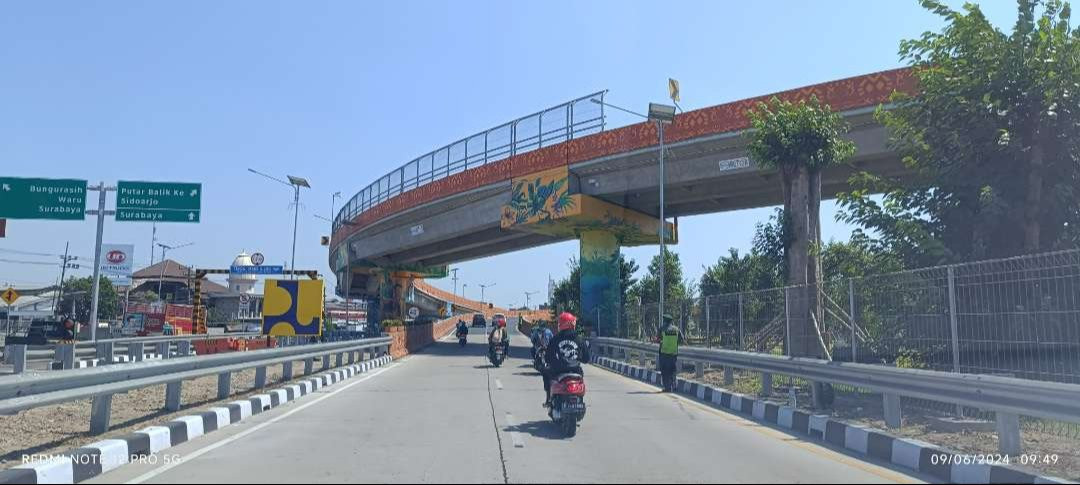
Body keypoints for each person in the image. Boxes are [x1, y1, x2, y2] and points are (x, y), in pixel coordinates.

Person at [542, 312, 590, 407]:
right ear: (572, 324)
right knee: (581, 378)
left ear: (560, 324)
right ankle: (579, 399)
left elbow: (548, 358)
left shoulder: (555, 339)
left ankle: (548, 398)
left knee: (545, 373)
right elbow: (586, 359)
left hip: (558, 370)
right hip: (575, 370)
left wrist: (553, 362)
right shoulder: (579, 339)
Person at [658, 314, 682, 393]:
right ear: (671, 321)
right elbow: (681, 339)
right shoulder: (676, 329)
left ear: (665, 321)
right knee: (672, 370)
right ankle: (674, 385)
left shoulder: (662, 329)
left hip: (664, 353)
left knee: (664, 371)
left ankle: (667, 387)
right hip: (674, 353)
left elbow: (658, 339)